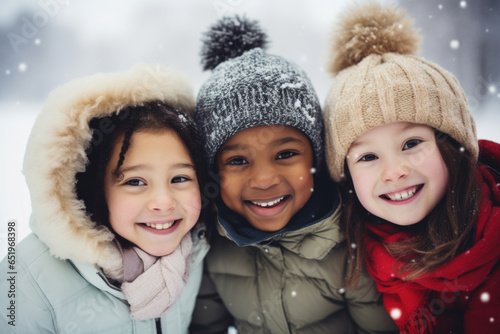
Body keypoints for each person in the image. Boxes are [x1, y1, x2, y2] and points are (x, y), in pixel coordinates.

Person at [189, 15, 397, 334]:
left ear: (316, 156)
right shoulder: (214, 247)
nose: (264, 179)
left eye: (285, 154)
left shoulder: (350, 246)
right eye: (237, 161)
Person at [323, 3, 500, 333]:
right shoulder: (353, 248)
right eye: (367, 157)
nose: (394, 171)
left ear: (453, 146)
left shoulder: (491, 240)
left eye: (411, 144)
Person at [0, 64, 210, 333]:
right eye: (135, 182)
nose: (164, 202)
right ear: (95, 190)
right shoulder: (25, 280)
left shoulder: (195, 251)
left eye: (180, 179)